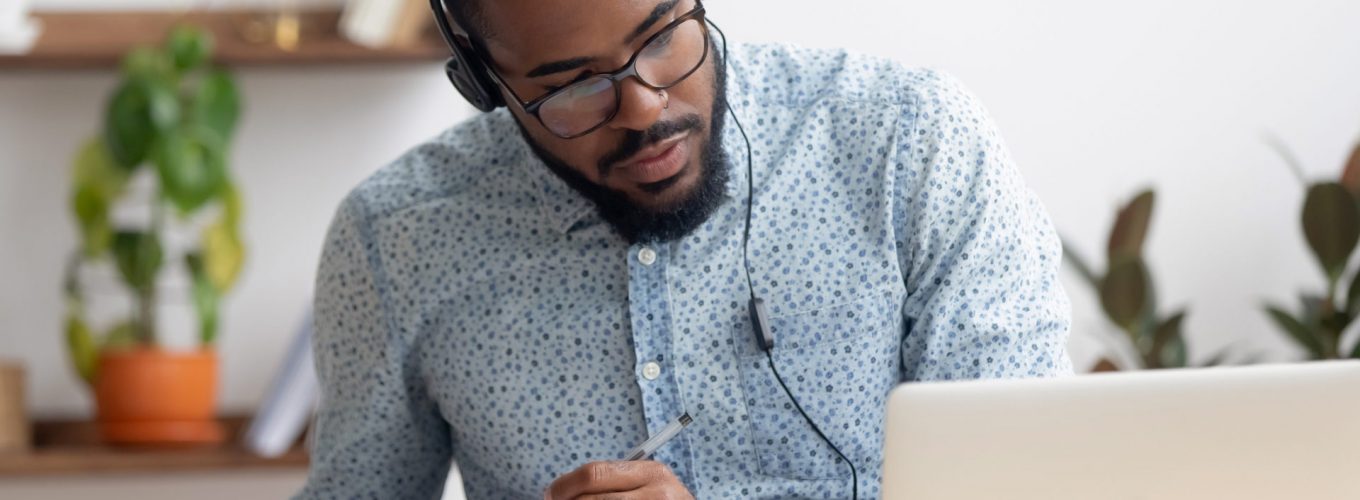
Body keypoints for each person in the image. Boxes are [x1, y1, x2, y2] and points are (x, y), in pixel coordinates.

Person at [295, 0, 1072, 498]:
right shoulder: (395, 240)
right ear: (484, 81)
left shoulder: (911, 142)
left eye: (662, 38)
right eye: (572, 87)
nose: (644, 108)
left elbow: (1032, 481)